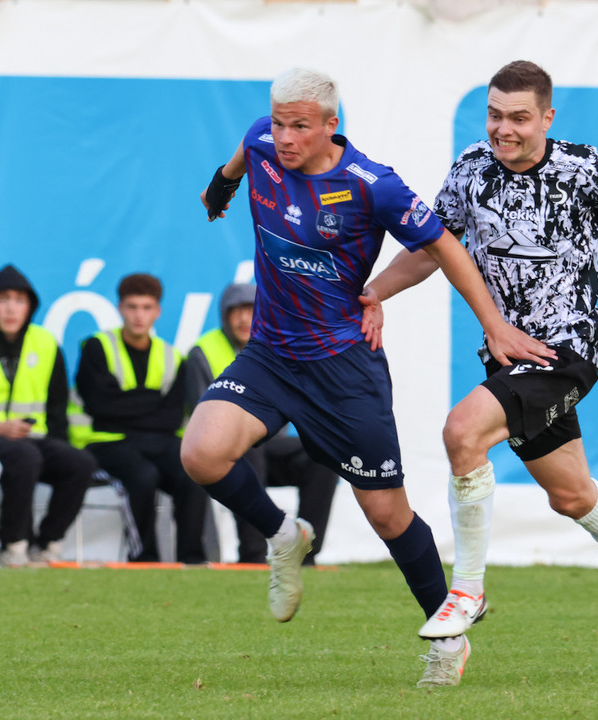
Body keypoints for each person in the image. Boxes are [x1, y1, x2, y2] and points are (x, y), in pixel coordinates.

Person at [184, 67, 551, 688]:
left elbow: (445, 248)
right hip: (270, 355)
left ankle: (449, 637)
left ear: (332, 125)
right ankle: (283, 535)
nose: (285, 137)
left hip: (344, 370)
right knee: (200, 453)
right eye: (279, 123)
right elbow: (241, 156)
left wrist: (494, 325)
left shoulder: (373, 185)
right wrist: (221, 187)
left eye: (300, 126)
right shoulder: (262, 141)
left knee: (386, 515)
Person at [365, 60, 598, 658]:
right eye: (495, 115)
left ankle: (466, 591)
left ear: (547, 118)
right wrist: (373, 294)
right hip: (507, 357)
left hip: (566, 349)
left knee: (462, 432)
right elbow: (432, 249)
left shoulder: (583, 168)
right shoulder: (469, 168)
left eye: (519, 117)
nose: (504, 129)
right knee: (571, 496)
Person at [0, 264, 95, 567]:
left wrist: (58, 445)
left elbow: (57, 409)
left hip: (34, 438)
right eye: (3, 299)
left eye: (20, 300)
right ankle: (13, 546)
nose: (11, 308)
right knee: (25, 458)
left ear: (30, 306)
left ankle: (47, 544)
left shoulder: (46, 343)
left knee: (80, 463)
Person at [183, 282, 337, 565]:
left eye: (251, 310)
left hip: (267, 443)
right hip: (222, 451)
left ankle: (305, 556)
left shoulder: (278, 349)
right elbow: (199, 417)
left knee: (323, 454)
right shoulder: (202, 353)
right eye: (236, 312)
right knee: (248, 451)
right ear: (224, 316)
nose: (244, 319)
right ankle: (253, 556)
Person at [72, 272, 211, 563]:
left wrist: (124, 404)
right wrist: (151, 401)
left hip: (158, 440)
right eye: (132, 307)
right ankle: (145, 560)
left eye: (146, 308)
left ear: (157, 311)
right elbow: (100, 407)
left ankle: (192, 559)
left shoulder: (172, 356)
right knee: (143, 476)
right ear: (120, 308)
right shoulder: (97, 347)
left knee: (194, 473)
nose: (139, 315)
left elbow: (172, 417)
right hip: (107, 441)